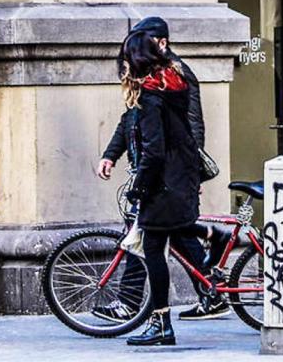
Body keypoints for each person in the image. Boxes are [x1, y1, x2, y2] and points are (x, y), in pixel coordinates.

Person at [96, 17, 230, 322]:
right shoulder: (147, 81)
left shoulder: (171, 79)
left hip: (166, 174)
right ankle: (211, 292)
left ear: (159, 44)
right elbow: (129, 120)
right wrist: (111, 154)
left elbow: (189, 127)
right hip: (157, 171)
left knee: (146, 234)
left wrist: (189, 174)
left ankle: (133, 303)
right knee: (175, 237)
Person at [118, 31, 206, 346]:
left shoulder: (149, 97)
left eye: (127, 58)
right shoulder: (172, 85)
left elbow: (153, 151)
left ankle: (162, 324)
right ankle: (214, 238)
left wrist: (139, 188)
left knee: (154, 251)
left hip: (163, 184)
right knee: (179, 235)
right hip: (179, 177)